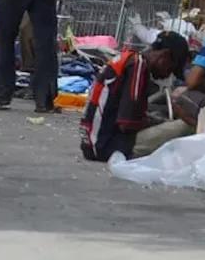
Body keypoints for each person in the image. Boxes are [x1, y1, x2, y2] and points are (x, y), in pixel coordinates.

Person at [79, 31, 192, 162]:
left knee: (164, 122)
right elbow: (127, 123)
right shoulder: (137, 67)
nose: (168, 75)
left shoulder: (128, 59)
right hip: (106, 147)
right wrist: (166, 123)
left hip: (92, 144)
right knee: (185, 126)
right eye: (171, 69)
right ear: (164, 56)